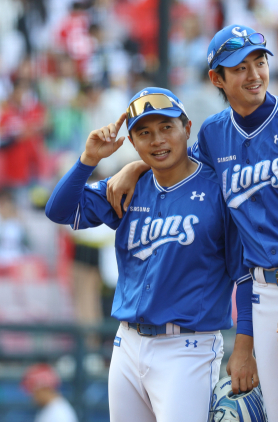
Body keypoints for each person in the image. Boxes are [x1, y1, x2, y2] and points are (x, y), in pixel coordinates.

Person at [107, 25, 278, 422]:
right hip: (266, 294)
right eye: (239, 68)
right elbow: (176, 163)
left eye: (259, 62)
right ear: (217, 78)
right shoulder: (215, 135)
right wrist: (135, 167)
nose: (253, 75)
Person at [45, 87, 257, 422]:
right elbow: (58, 210)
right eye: (144, 132)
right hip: (127, 344)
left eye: (166, 128)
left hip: (187, 348)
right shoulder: (128, 187)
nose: (157, 140)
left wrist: (245, 344)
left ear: (187, 128)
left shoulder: (219, 188)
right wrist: (89, 160)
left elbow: (246, 273)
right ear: (132, 141)